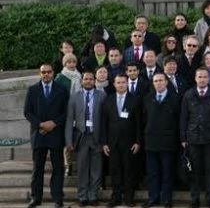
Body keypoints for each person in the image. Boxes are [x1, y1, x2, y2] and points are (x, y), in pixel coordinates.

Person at [24, 63, 69, 208]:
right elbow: (27, 112)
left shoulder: (62, 90)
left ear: (53, 73)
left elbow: (66, 112)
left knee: (58, 168)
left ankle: (57, 198)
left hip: (56, 133)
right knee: (38, 168)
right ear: (40, 73)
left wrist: (54, 123)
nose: (46, 74)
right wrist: (41, 124)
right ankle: (36, 198)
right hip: (39, 133)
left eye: (49, 72)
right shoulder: (32, 90)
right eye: (43, 72)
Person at [180, 68, 210, 208]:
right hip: (193, 138)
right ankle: (195, 199)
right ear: (195, 78)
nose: (202, 79)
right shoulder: (188, 94)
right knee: (195, 170)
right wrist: (183, 137)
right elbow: (183, 117)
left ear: (208, 78)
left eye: (205, 77)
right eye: (199, 77)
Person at [100, 73, 142, 208]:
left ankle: (129, 198)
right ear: (114, 84)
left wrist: (138, 141)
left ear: (127, 83)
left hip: (129, 142)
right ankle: (116, 198)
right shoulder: (108, 100)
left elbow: (139, 123)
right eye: (118, 82)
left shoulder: (135, 100)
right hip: (112, 143)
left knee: (129, 170)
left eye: (123, 82)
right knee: (115, 171)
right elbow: (104, 123)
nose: (121, 85)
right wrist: (104, 143)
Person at [65, 71, 105, 206]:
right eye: (86, 79)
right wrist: (68, 141)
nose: (88, 81)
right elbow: (69, 120)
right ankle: (82, 196)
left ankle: (93, 195)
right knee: (82, 169)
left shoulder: (102, 95)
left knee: (96, 169)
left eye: (91, 79)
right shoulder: (74, 97)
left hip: (96, 137)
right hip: (81, 138)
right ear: (81, 81)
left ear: (95, 81)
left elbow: (105, 120)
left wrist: (105, 140)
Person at [142, 73, 180, 208]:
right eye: (156, 81)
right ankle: (153, 198)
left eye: (161, 80)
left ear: (166, 82)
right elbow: (144, 119)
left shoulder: (175, 98)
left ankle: (166, 199)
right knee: (152, 173)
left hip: (168, 142)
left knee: (167, 173)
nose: (158, 83)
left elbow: (178, 120)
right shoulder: (147, 98)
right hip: (151, 141)